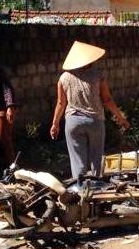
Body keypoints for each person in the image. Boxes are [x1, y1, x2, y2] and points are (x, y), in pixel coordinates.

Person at [49, 41, 130, 179]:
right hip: (95, 121)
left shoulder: (64, 78)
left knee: (78, 161)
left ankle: (81, 189)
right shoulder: (98, 75)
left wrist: (55, 124)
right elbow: (108, 100)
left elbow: (61, 103)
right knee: (96, 159)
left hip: (73, 122)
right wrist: (121, 118)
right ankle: (96, 188)